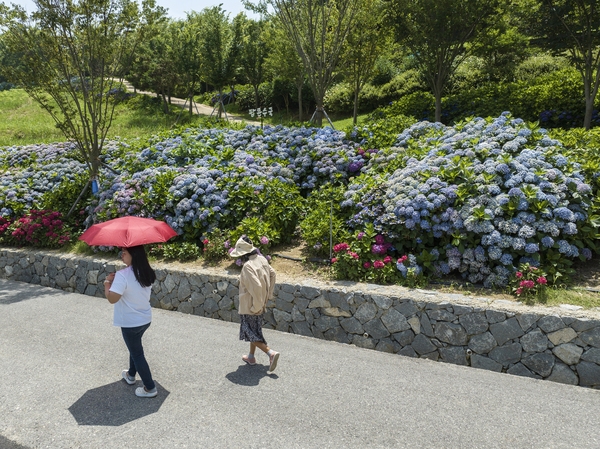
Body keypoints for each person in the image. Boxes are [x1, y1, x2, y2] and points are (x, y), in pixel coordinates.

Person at [104, 245, 158, 398]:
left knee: (137, 353)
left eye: (124, 253)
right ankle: (131, 375)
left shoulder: (123, 275)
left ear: (133, 254)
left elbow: (112, 298)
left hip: (130, 322)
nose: (122, 255)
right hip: (145, 319)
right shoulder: (147, 272)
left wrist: (107, 283)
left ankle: (150, 388)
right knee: (135, 348)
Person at [230, 236, 280, 372]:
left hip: (251, 305)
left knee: (249, 332)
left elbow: (256, 287)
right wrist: (268, 295)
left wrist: (255, 306)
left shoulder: (247, 267)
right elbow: (273, 274)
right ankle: (251, 357)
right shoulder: (262, 259)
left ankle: (270, 353)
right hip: (261, 302)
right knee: (255, 330)